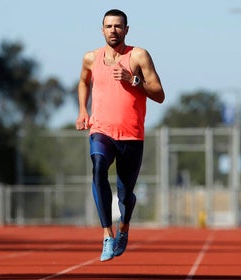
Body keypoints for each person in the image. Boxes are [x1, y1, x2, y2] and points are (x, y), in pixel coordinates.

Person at [75, 9, 165, 262]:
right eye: (108, 26)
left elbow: (159, 94)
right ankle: (106, 234)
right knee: (98, 167)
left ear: (126, 30)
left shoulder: (138, 55)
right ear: (102, 30)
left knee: (125, 194)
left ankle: (123, 228)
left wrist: (133, 79)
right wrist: (83, 110)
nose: (113, 30)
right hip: (101, 130)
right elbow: (83, 82)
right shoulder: (91, 58)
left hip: (131, 135)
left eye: (118, 26)